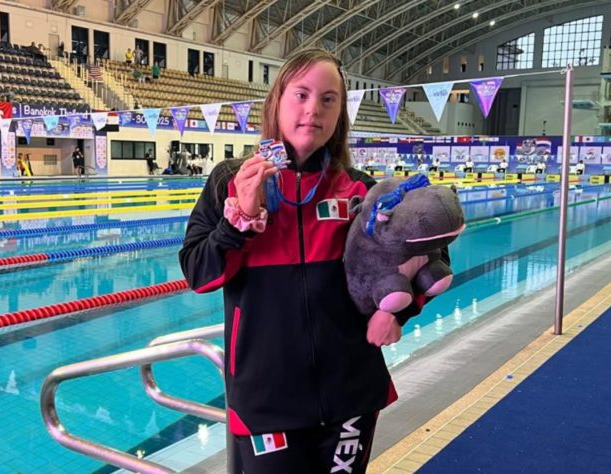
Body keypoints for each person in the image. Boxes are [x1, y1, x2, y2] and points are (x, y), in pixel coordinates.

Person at [179, 48, 438, 474]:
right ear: (277, 101)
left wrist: (397, 312)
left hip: (350, 395)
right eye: (301, 94)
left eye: (328, 99)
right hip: (266, 402)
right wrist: (237, 222)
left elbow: (428, 248)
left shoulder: (360, 191)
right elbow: (198, 274)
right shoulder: (229, 181)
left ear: (340, 113)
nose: (313, 109)